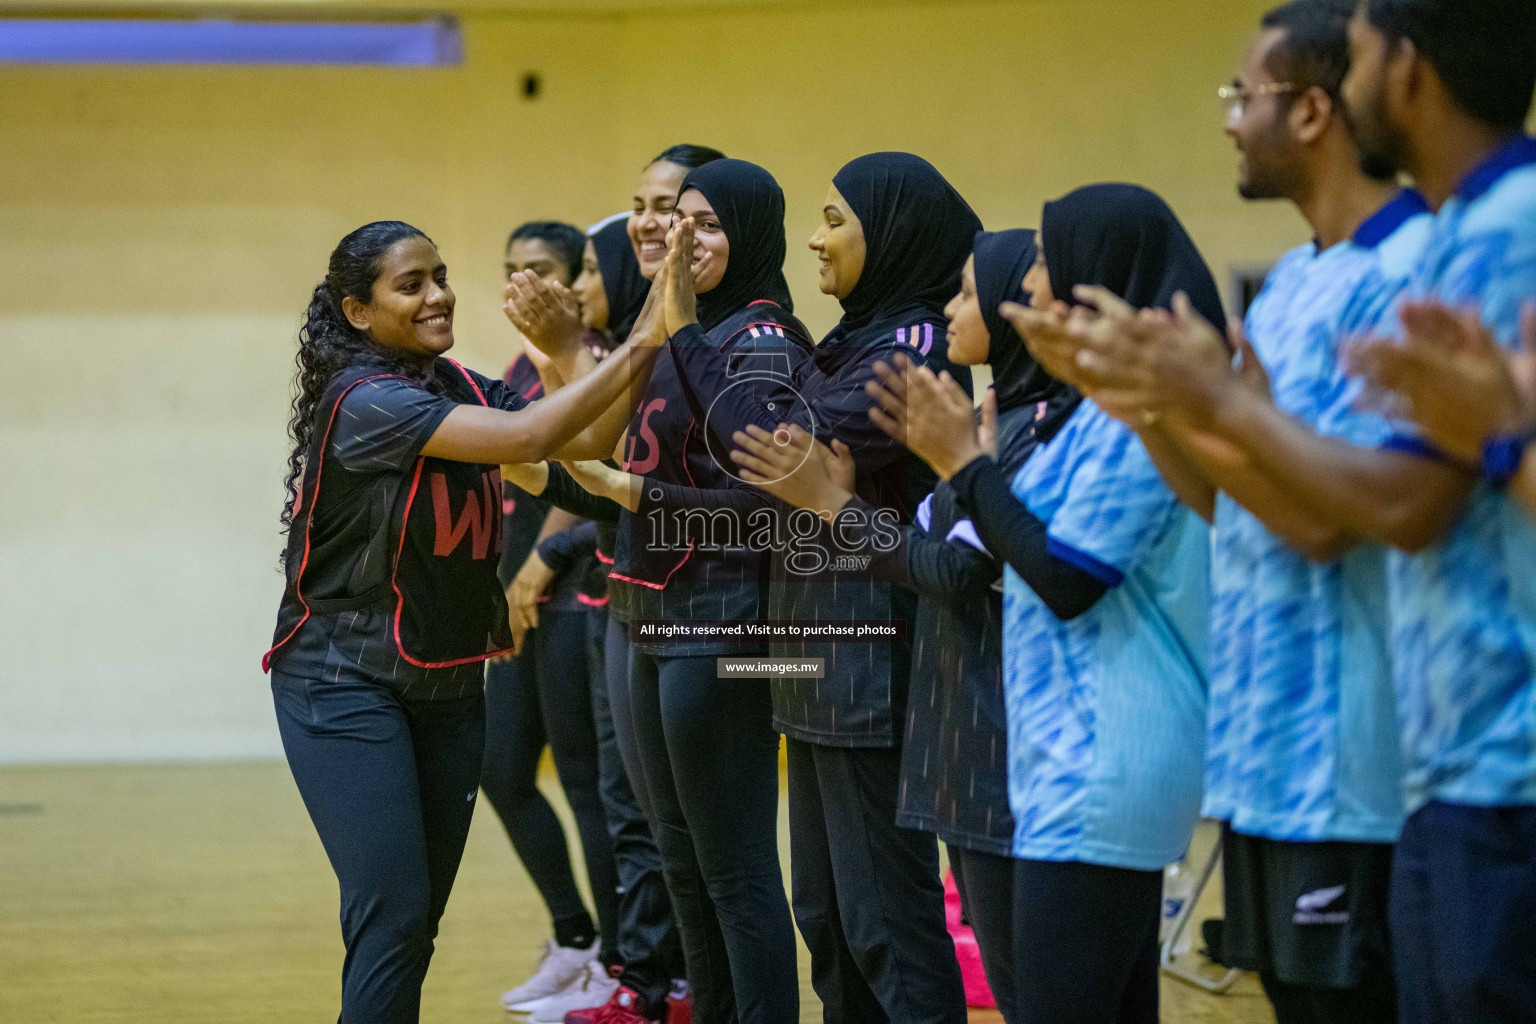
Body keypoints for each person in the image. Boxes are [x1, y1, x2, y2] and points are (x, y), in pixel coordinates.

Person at [1007, 6, 1429, 1020]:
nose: (1232, 121)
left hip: (1359, 754)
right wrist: (1142, 404)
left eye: (1245, 96)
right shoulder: (1291, 281)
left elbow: (1332, 521)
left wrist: (1217, 401)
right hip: (1266, 759)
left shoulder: (1408, 270)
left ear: (1315, 109)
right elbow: (1227, 501)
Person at [597, 152, 977, 1024]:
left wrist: (688, 338)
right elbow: (783, 443)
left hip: (864, 651)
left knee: (883, 916)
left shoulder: (904, 347)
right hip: (810, 646)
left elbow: (770, 447)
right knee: (829, 919)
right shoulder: (851, 337)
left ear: (892, 233)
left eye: (836, 219)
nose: (817, 237)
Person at [263, 220, 668, 1024]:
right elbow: (528, 436)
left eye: (440, 275)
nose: (438, 294)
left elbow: (590, 440)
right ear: (356, 311)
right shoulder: (366, 401)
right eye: (409, 284)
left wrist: (569, 348)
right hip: (344, 682)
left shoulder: (459, 385)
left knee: (411, 925)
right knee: (394, 915)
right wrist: (650, 333)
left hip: (448, 681)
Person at [868, 184, 1216, 1024]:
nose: (1034, 287)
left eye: (1052, 267)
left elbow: (1064, 578)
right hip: (1066, 755)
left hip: (1107, 756)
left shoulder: (1139, 420)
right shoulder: (1085, 414)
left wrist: (965, 467)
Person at [727, 228, 1079, 1024]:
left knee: (898, 927)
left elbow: (951, 567)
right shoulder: (994, 417)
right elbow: (927, 543)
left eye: (965, 292)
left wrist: (836, 507)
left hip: (973, 716)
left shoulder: (1022, 427)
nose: (949, 310)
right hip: (939, 710)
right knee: (830, 917)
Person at [486, 219, 625, 1017]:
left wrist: (538, 566)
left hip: (572, 594)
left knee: (586, 788)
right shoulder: (520, 353)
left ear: (575, 279)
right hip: (514, 596)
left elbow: (586, 478)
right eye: (510, 268)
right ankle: (573, 938)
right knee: (500, 770)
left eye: (537, 267)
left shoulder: (598, 360)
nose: (521, 281)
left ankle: (614, 958)